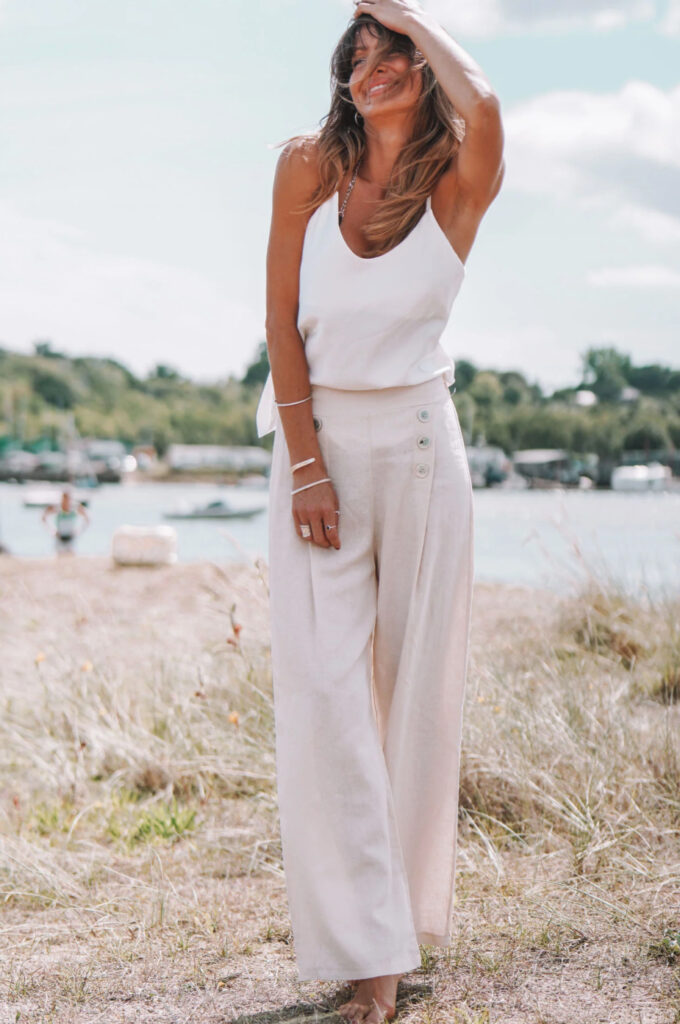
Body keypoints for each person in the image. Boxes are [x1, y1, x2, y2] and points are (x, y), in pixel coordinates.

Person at [256, 2, 504, 1020]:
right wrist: (307, 467)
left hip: (419, 448)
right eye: (356, 56)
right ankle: (363, 941)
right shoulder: (307, 167)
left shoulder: (455, 186)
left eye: (390, 51)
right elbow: (279, 323)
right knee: (325, 698)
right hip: (317, 448)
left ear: (422, 63)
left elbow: (486, 104)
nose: (372, 67)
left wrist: (398, 9)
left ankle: (384, 958)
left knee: (413, 699)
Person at [41, 487, 89, 556]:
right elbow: (43, 518)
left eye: (67, 499)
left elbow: (87, 519)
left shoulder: (74, 509)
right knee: (59, 558)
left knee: (71, 558)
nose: (66, 501)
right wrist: (52, 531)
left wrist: (79, 531)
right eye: (64, 498)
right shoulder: (57, 509)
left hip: (71, 538)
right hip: (59, 538)